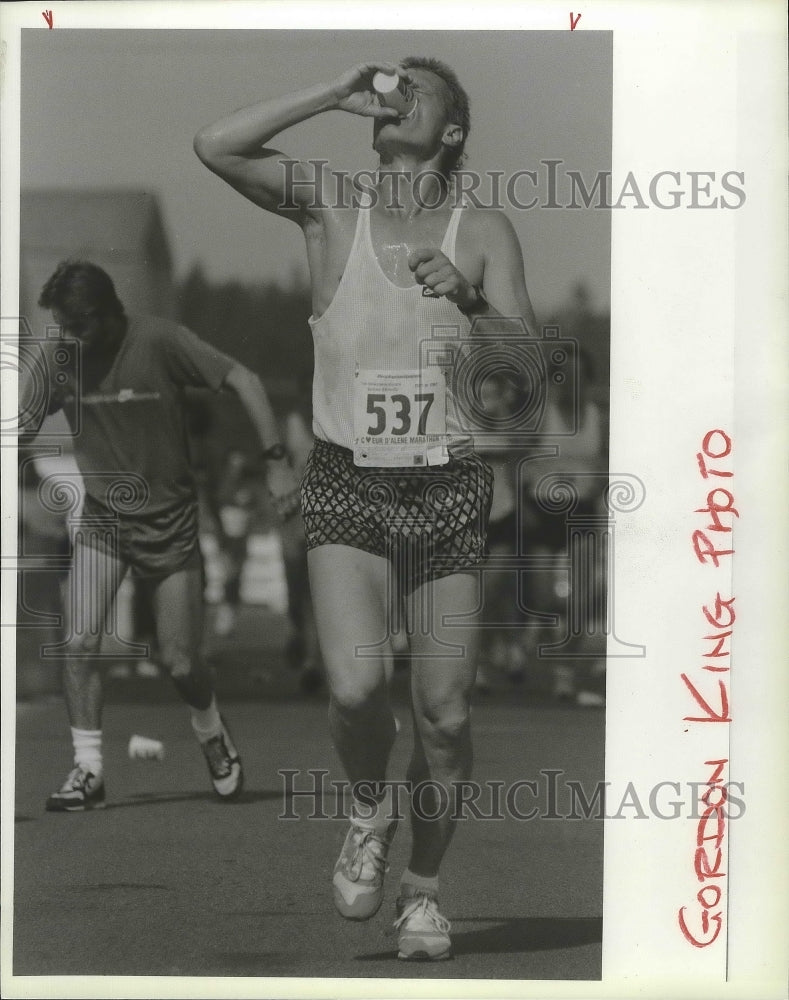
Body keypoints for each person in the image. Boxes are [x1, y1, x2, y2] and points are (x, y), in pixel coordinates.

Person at [194, 57, 538, 960]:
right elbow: (215, 146)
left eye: (415, 91)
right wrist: (329, 95)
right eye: (388, 91)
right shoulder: (331, 206)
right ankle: (366, 808)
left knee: (445, 713)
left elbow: (532, 368)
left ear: (453, 131)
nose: (394, 96)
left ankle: (423, 895)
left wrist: (469, 299)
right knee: (353, 688)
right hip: (349, 478)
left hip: (449, 482)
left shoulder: (483, 229)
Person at [22, 261, 299, 811]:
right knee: (78, 640)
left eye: (76, 326)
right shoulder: (59, 357)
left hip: (170, 524)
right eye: (60, 326)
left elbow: (242, 379)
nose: (67, 338)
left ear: (105, 315)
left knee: (180, 663)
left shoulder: (160, 341)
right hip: (103, 519)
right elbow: (20, 423)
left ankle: (211, 729)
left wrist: (275, 462)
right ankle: (88, 770)